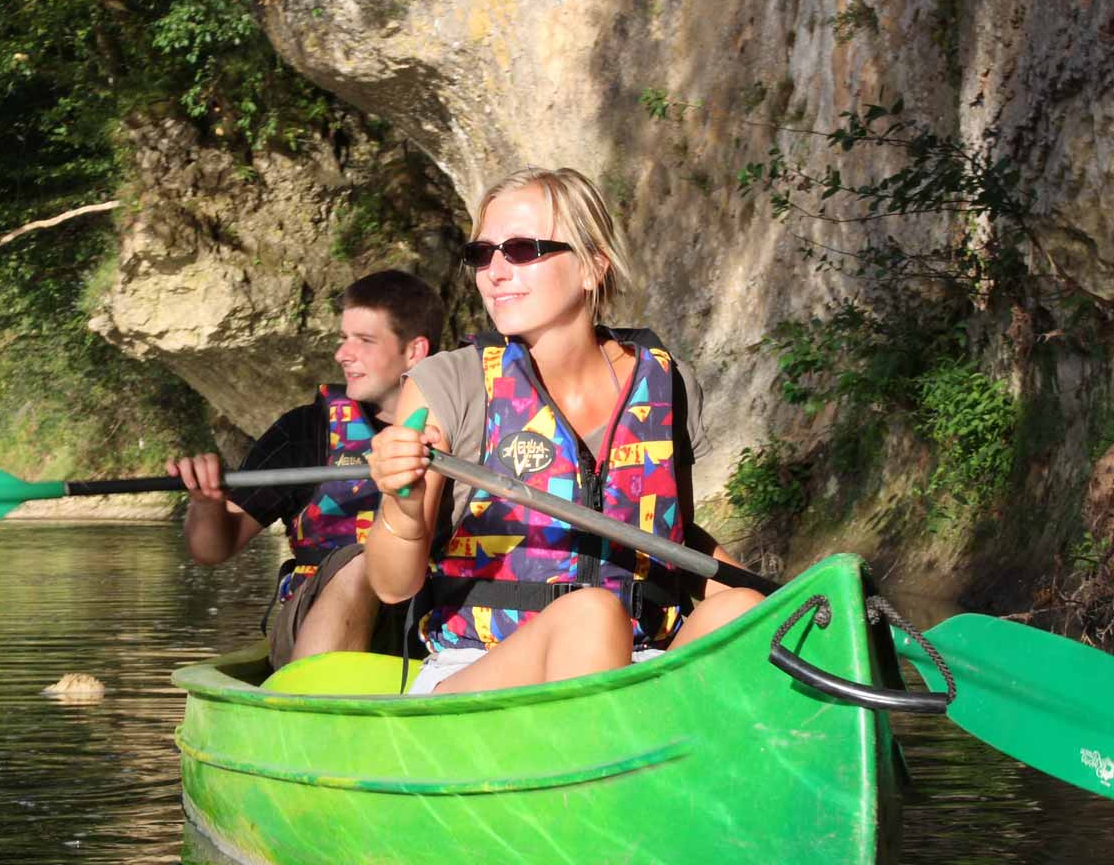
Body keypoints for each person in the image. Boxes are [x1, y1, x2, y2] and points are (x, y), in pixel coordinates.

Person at [365, 167, 763, 695]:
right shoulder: (450, 381)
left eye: (523, 250)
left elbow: (673, 539)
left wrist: (796, 603)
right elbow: (393, 587)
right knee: (591, 616)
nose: (495, 272)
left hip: (635, 666)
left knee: (745, 612)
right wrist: (402, 504)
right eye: (483, 254)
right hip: (478, 672)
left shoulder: (668, 385)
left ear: (592, 268)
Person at [165, 269, 446, 669]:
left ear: (415, 351)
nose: (342, 354)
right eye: (343, 339)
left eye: (363, 341)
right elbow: (213, 549)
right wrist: (206, 502)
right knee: (361, 560)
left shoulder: (468, 425)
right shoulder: (304, 433)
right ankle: (316, 697)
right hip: (314, 624)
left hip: (432, 626)